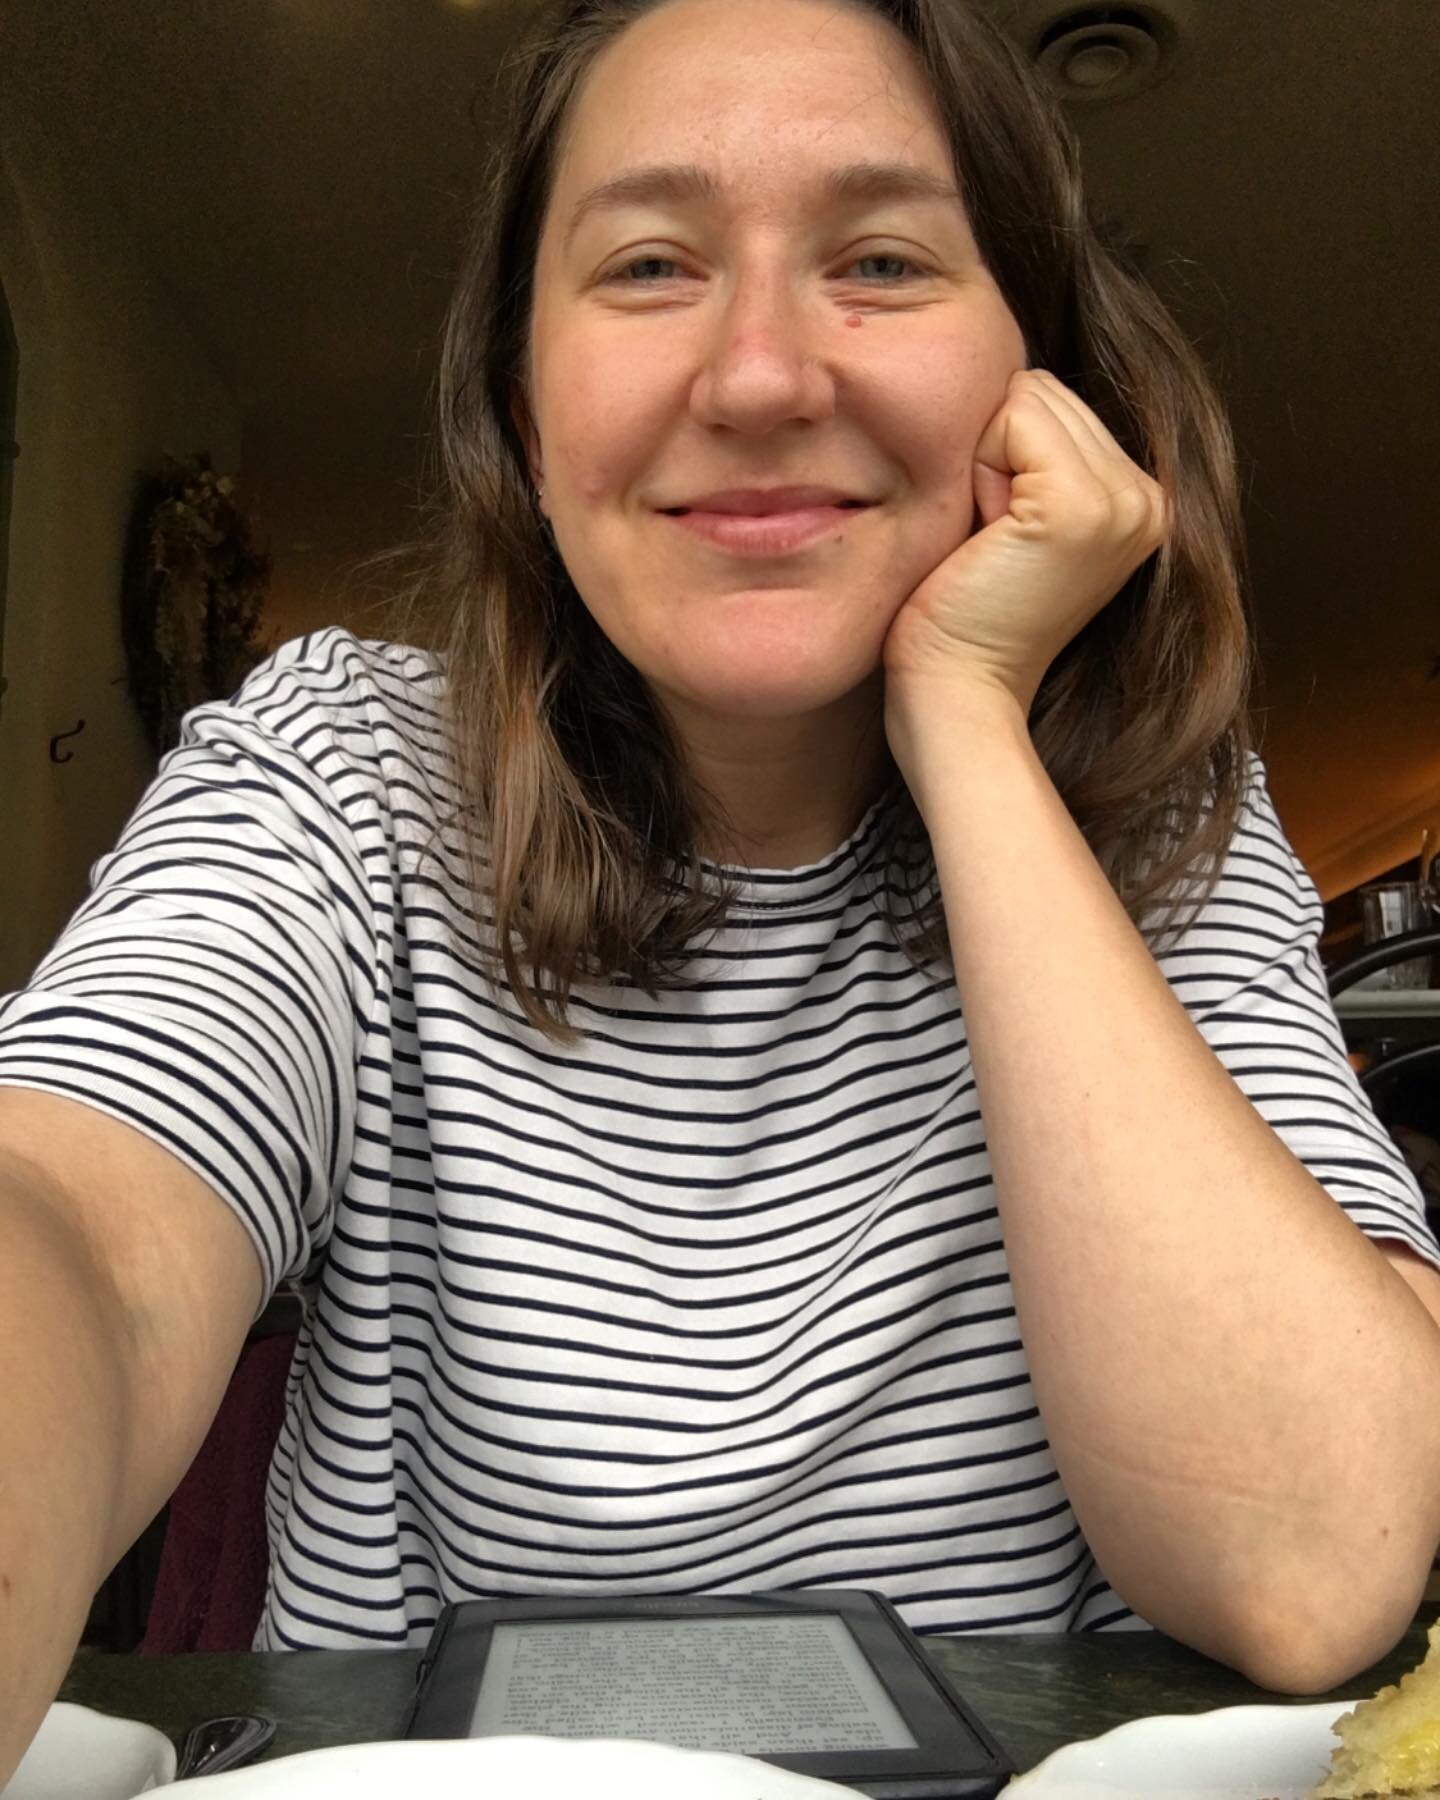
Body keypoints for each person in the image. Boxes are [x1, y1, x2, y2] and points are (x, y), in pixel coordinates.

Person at [3, 0, 1439, 1778]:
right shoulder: (340, 777)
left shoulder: (1164, 822)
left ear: (1040, 381)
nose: (760, 377)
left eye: (888, 259)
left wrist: (969, 724)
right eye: (653, 263)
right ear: (522, 405)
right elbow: (71, 1227)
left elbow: (1312, 1570)